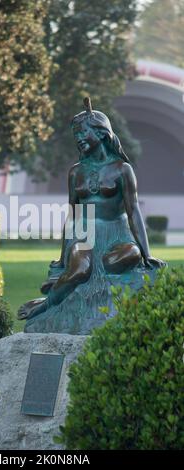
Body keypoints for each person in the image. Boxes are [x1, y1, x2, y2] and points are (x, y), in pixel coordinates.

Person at [18, 97, 166, 321]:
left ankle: (92, 296)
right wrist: (61, 260)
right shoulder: (76, 172)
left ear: (100, 133)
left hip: (117, 235)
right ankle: (45, 305)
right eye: (75, 134)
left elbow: (133, 211)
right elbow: (73, 215)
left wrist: (147, 254)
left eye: (81, 132)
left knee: (128, 256)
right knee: (79, 269)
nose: (78, 139)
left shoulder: (122, 169)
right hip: (85, 236)